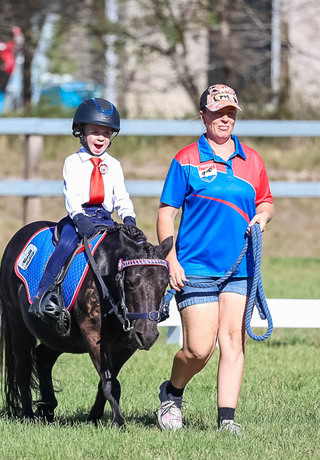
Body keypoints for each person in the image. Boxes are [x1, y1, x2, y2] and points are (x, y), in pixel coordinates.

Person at [156, 84, 274, 434]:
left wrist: (262, 218)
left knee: (233, 341)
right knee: (199, 348)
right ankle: (172, 393)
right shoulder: (186, 159)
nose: (225, 119)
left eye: (231, 113)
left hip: (239, 268)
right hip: (194, 267)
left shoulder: (251, 160)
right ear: (203, 115)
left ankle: (227, 420)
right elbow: (166, 213)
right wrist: (170, 260)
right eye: (218, 112)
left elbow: (266, 201)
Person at [29, 97, 137, 322]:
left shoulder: (114, 165)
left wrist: (128, 218)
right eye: (95, 131)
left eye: (106, 133)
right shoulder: (73, 162)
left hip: (105, 218)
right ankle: (45, 292)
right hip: (80, 217)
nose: (101, 138)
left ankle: (124, 301)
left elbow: (121, 196)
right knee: (67, 244)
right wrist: (78, 217)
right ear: (81, 131)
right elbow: (71, 194)